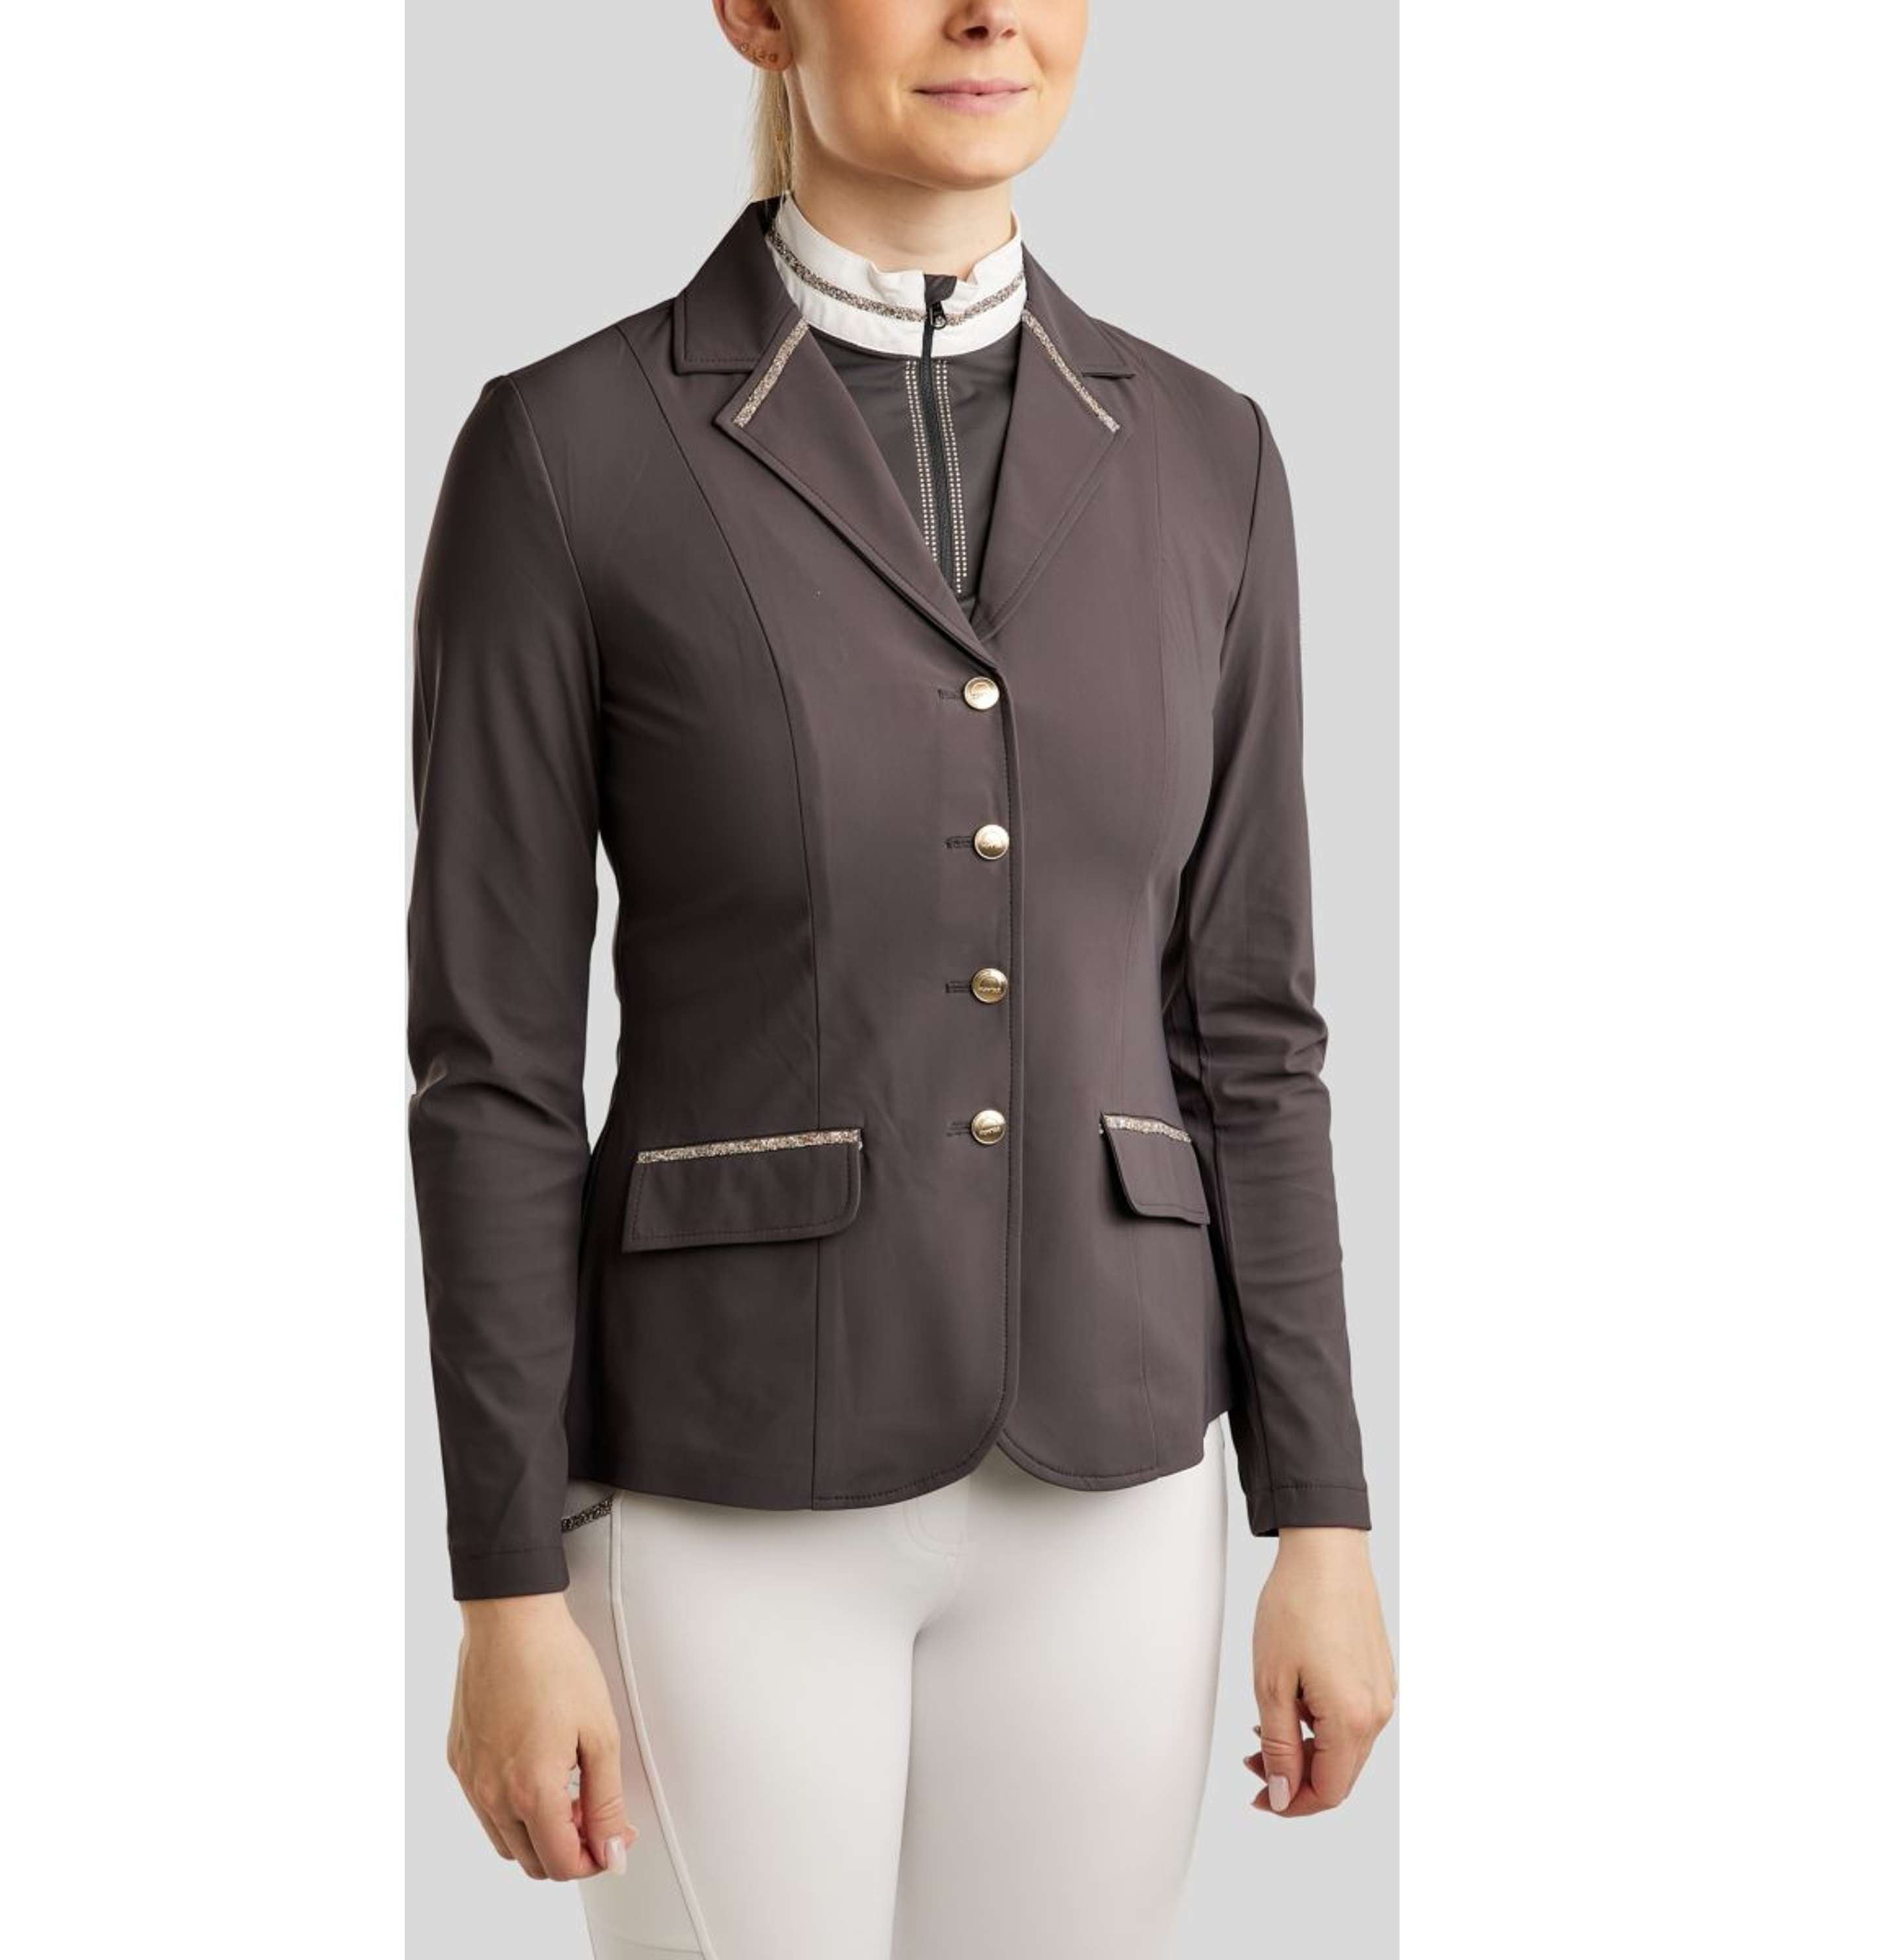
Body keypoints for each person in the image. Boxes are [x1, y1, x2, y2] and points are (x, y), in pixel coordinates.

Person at [408, 3, 1396, 1954]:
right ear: (759, 14)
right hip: (721, 1475)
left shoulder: (1212, 456)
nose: (988, 14)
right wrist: (507, 1587)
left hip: (1119, 1470)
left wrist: (1326, 1516)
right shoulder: (569, 451)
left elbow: (1254, 1036)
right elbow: (494, 1069)